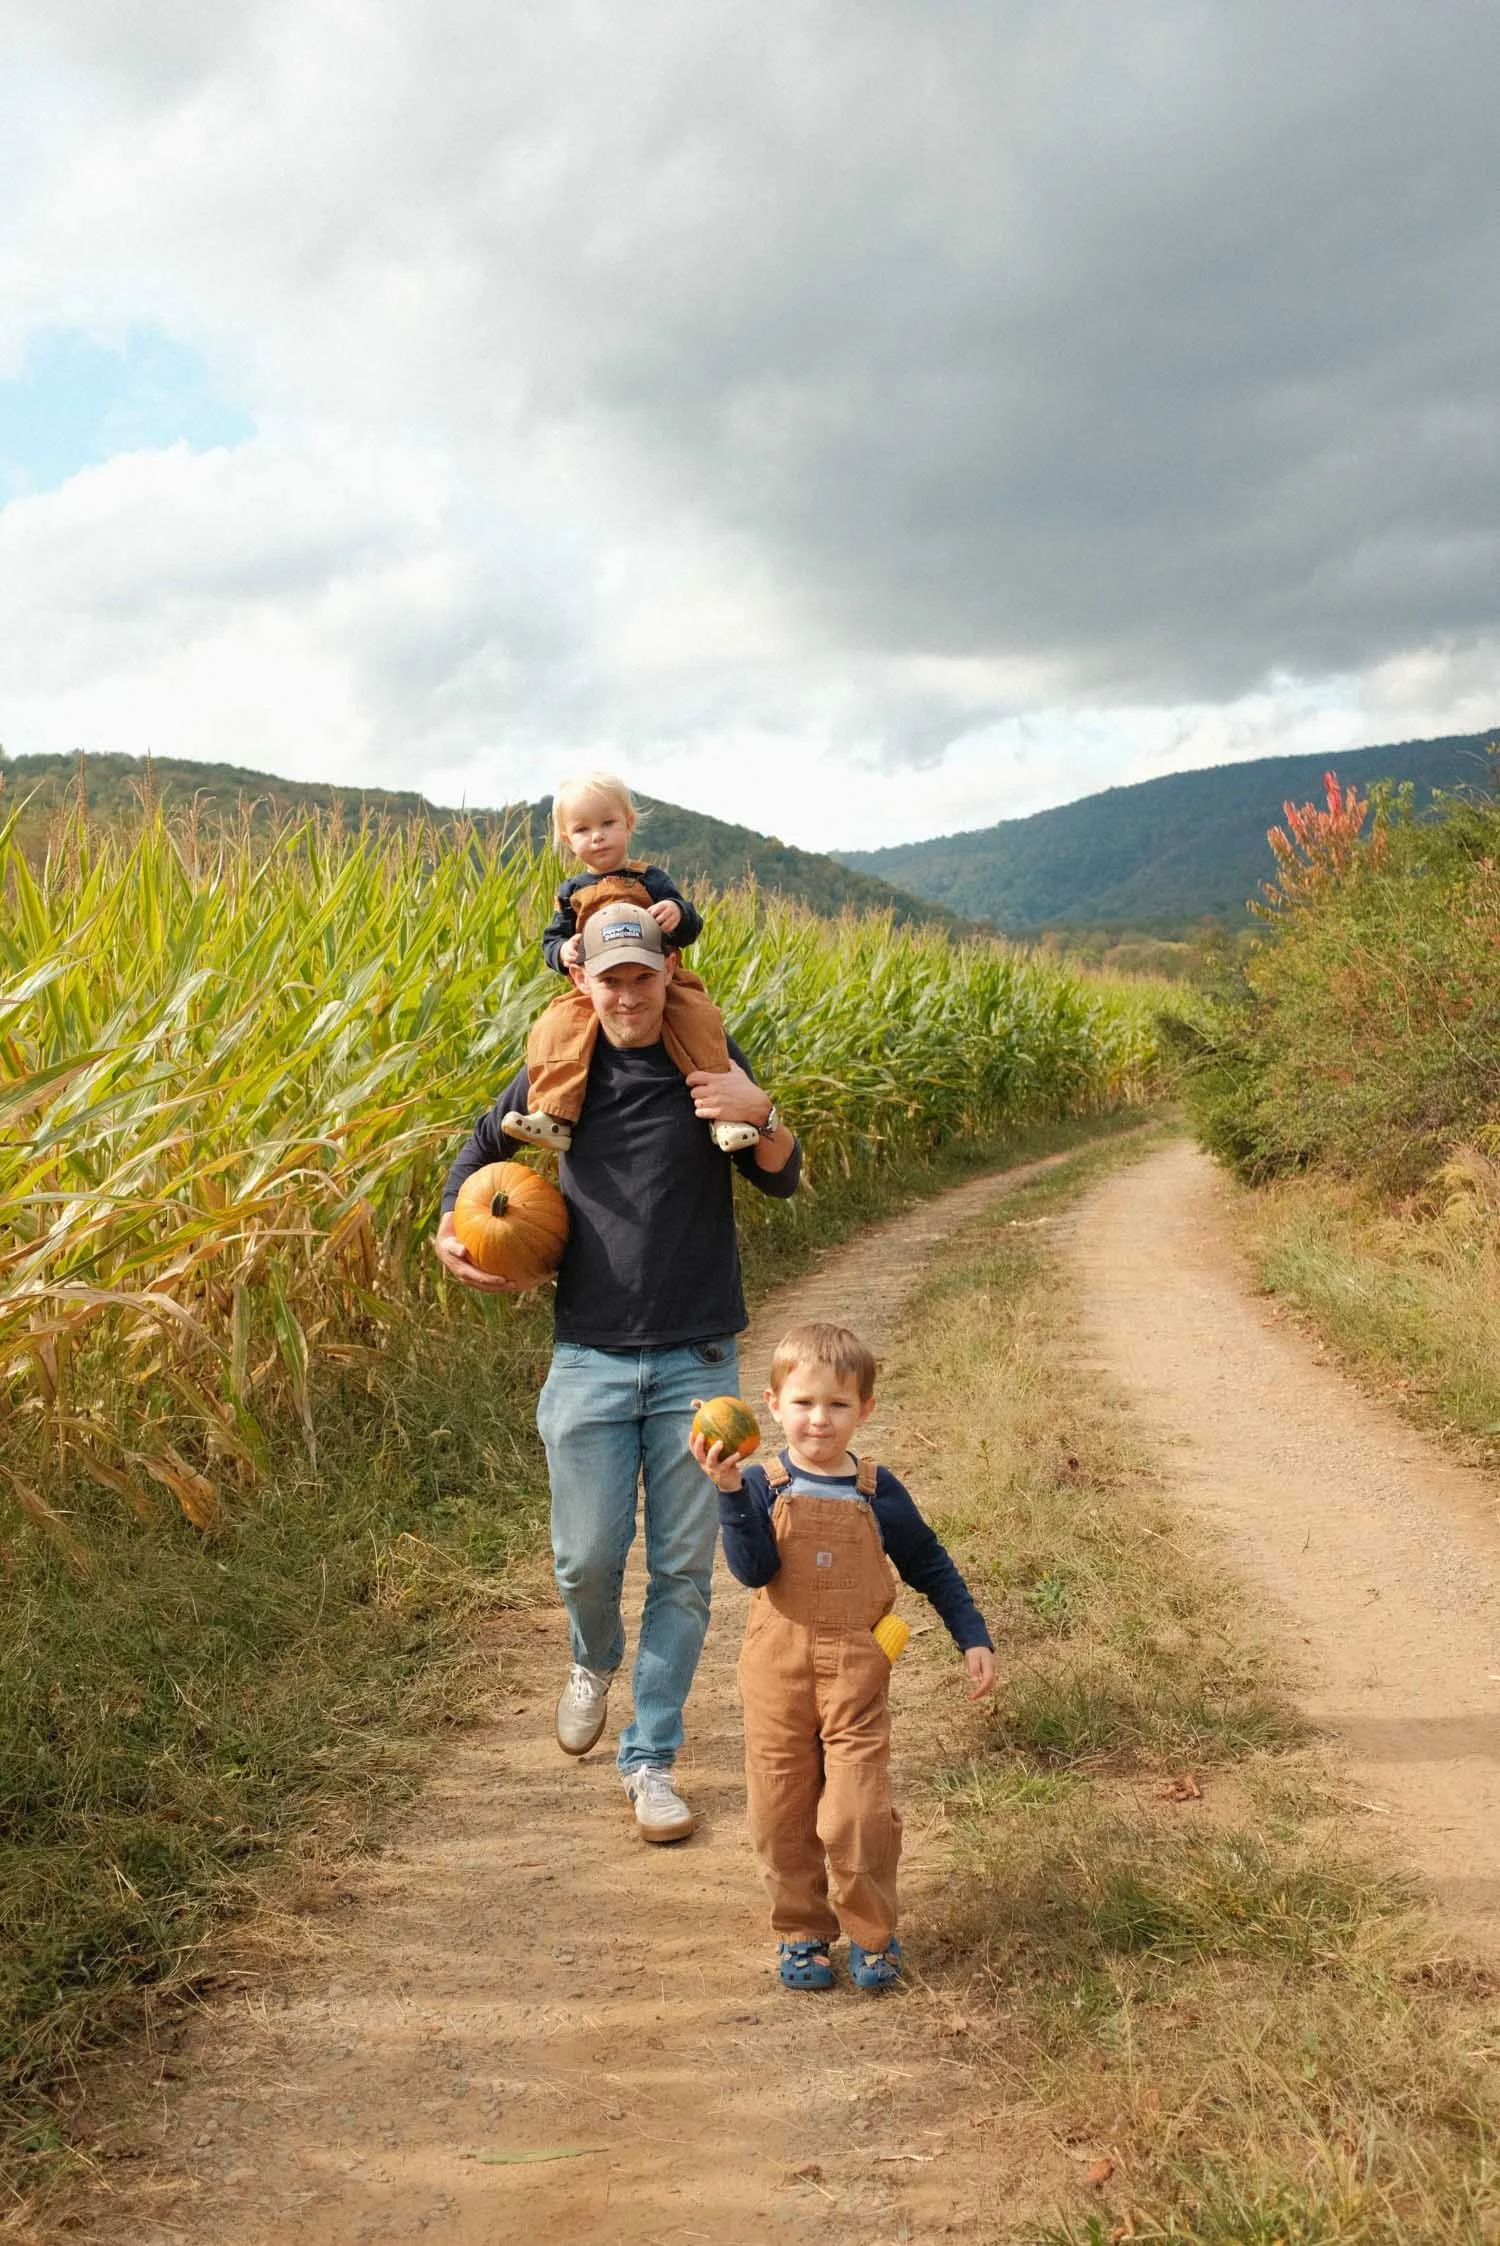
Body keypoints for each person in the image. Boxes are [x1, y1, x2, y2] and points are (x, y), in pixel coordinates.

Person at [434, 899, 801, 1844]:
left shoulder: (705, 1058)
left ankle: (651, 1761)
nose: (630, 995)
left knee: (683, 1570)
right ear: (582, 982)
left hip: (697, 1356)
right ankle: (592, 1657)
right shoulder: (560, 1071)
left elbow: (780, 1175)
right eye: (612, 978)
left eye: (644, 977)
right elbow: (482, 1149)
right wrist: (451, 1230)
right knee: (586, 1556)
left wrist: (762, 1114)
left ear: (664, 975)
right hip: (589, 1353)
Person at [693, 1321, 996, 1989]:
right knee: (781, 1810)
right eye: (803, 1404)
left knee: (857, 1812)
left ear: (865, 1409)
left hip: (857, 1673)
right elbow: (752, 1571)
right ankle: (801, 1929)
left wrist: (971, 1634)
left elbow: (929, 1564)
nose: (820, 1421)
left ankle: (872, 1933)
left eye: (837, 1405)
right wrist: (728, 1495)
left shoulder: (876, 1490)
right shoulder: (760, 1483)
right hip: (778, 1672)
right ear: (773, 1407)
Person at [503, 771, 758, 1157]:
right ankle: (555, 1114)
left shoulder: (651, 879)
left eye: (608, 823)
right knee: (554, 1026)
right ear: (569, 841)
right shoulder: (571, 892)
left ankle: (725, 1115)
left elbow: (690, 924)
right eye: (584, 829)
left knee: (700, 1020)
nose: (598, 836)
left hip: (659, 980)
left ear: (629, 824)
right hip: (594, 988)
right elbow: (551, 941)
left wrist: (676, 912)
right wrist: (562, 952)